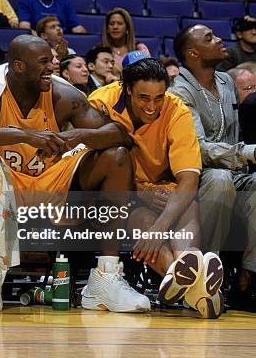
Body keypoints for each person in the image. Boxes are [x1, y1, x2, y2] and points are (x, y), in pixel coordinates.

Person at [0, 35, 151, 313]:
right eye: (44, 62)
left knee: (116, 157)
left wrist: (77, 135)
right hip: (5, 183)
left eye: (52, 60)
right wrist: (26, 136)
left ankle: (106, 278)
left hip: (52, 184)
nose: (52, 66)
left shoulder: (60, 93)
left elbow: (119, 134)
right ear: (18, 66)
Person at [89, 55, 224, 319]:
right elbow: (90, 166)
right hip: (115, 193)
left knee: (184, 200)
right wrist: (141, 192)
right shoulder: (100, 102)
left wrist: (159, 229)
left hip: (159, 188)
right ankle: (196, 290)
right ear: (127, 90)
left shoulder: (177, 110)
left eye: (159, 97)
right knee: (142, 216)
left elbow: (189, 178)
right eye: (143, 98)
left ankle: (185, 268)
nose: (152, 107)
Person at [169, 25, 256, 310]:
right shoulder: (179, 92)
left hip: (233, 170)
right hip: (196, 176)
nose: (220, 39)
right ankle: (208, 273)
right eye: (210, 38)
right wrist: (246, 153)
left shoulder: (225, 82)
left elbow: (233, 134)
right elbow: (199, 149)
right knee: (219, 179)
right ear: (193, 54)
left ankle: (248, 275)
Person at [101, 8, 150, 76]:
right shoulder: (99, 50)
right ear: (107, 29)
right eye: (111, 24)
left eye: (120, 23)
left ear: (127, 29)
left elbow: (149, 73)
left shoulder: (139, 48)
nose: (115, 27)